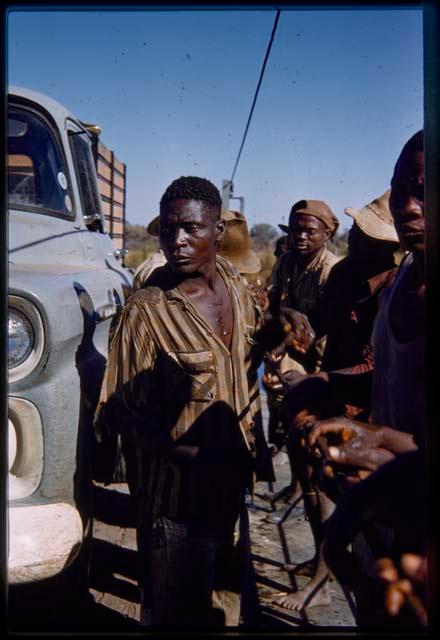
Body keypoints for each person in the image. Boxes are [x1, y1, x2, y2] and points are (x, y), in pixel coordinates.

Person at [95, 176, 273, 628]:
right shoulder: (146, 312)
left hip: (233, 492)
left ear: (217, 231)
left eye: (192, 229)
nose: (177, 241)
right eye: (168, 231)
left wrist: (283, 325)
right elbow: (121, 413)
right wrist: (187, 455)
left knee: (228, 608)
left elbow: (248, 353)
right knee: (180, 616)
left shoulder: (234, 286)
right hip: (177, 507)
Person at [302, 129, 427, 627]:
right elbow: (386, 383)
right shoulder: (400, 284)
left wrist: (376, 440)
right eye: (402, 188)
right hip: (386, 524)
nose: (411, 207)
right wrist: (325, 389)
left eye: (426, 190)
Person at [271, 190, 402, 612]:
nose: (354, 242)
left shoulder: (394, 286)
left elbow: (374, 366)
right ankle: (321, 572)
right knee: (314, 484)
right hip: (331, 396)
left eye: (365, 238)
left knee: (359, 507)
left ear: (387, 247)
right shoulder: (345, 273)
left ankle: (333, 577)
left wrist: (319, 377)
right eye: (356, 234)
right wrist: (294, 324)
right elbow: (321, 323)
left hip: (370, 414)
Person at [263, 199, 340, 504]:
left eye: (309, 231)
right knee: (285, 405)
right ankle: (299, 484)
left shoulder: (331, 269)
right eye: (296, 230)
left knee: (315, 428)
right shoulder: (287, 262)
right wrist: (285, 315)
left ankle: (316, 493)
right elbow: (269, 307)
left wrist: (284, 332)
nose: (301, 237)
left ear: (327, 234)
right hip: (295, 347)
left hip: (324, 355)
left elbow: (316, 328)